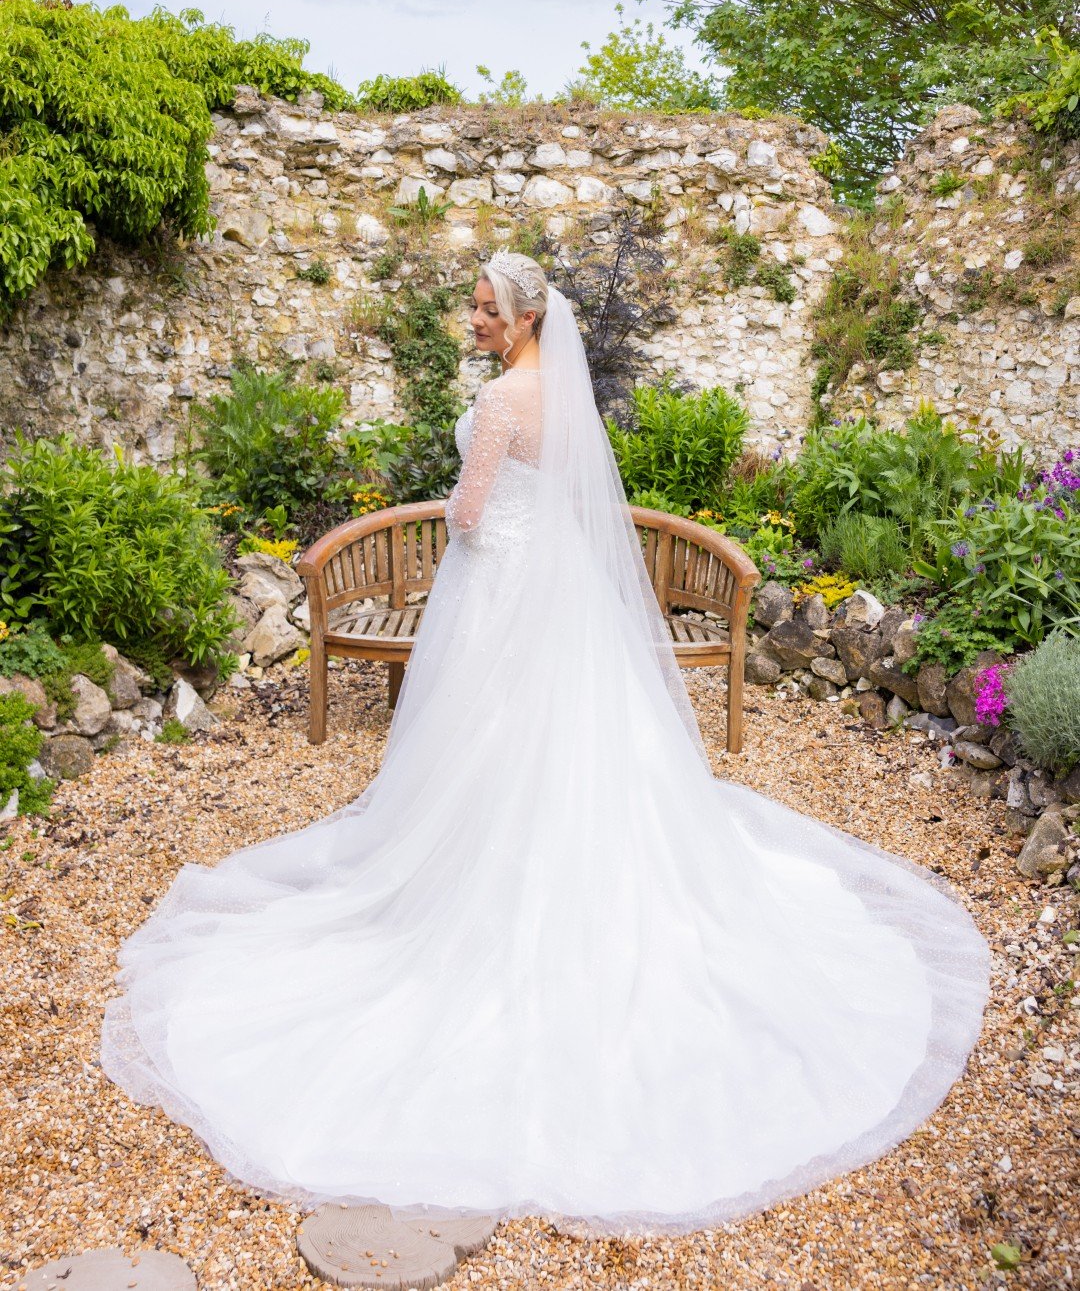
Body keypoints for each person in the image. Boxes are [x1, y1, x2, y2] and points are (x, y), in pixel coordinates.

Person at [100, 251, 990, 1237]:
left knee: (487, 743)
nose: (472, 317)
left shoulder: (497, 399)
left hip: (498, 591)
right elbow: (564, 500)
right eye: (474, 304)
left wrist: (453, 511)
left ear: (523, 318)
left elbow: (473, 515)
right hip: (558, 590)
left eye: (486, 308)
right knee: (569, 744)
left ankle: (481, 896)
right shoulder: (563, 395)